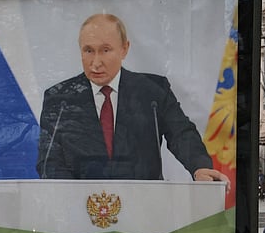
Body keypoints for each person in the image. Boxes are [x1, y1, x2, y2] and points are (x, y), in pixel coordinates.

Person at [36, 13, 230, 184]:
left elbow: (181, 134)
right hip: (81, 211)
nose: (96, 63)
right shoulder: (59, 98)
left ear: (124, 49)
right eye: (88, 51)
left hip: (144, 210)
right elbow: (49, 161)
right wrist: (72, 197)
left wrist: (199, 166)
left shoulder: (153, 91)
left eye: (105, 50)